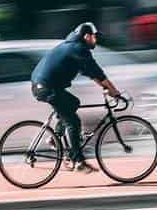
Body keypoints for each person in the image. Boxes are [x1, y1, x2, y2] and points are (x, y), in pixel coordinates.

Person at [31, 22, 123, 174]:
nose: (96, 40)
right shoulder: (78, 48)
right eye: (94, 37)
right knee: (73, 121)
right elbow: (97, 72)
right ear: (86, 36)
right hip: (47, 88)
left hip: (46, 86)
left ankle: (55, 138)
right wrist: (114, 91)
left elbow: (90, 73)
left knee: (73, 103)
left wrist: (106, 87)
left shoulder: (73, 47)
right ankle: (79, 161)